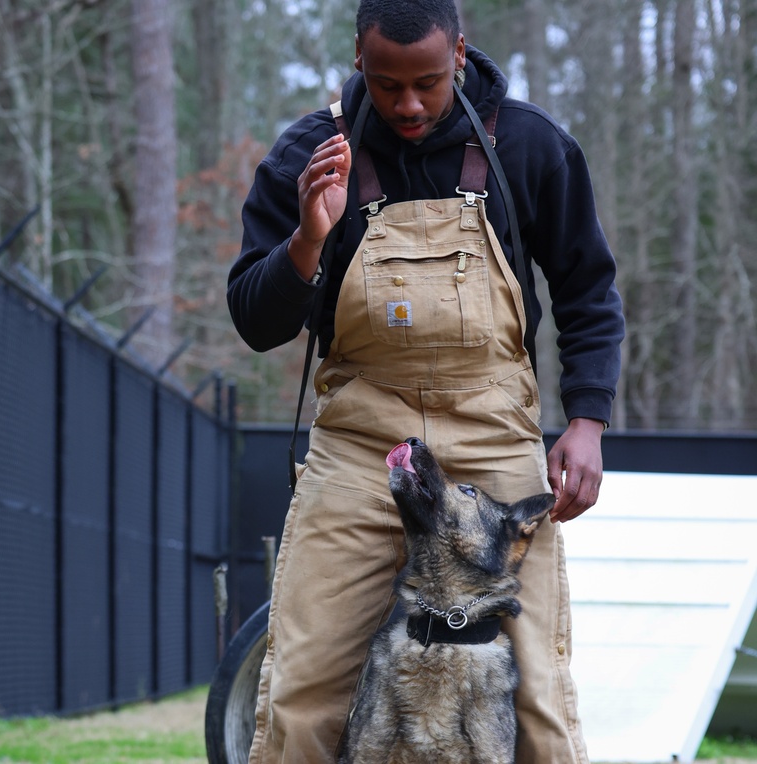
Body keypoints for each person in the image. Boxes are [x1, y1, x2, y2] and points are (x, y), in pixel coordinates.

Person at [226, 0, 624, 762]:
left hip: (494, 430)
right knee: (301, 692)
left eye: (429, 83)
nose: (408, 104)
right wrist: (309, 237)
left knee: (537, 696)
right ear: (357, 61)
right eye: (385, 84)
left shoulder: (531, 145)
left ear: (462, 55)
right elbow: (254, 320)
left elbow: (587, 289)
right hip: (360, 442)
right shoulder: (309, 154)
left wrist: (588, 418)